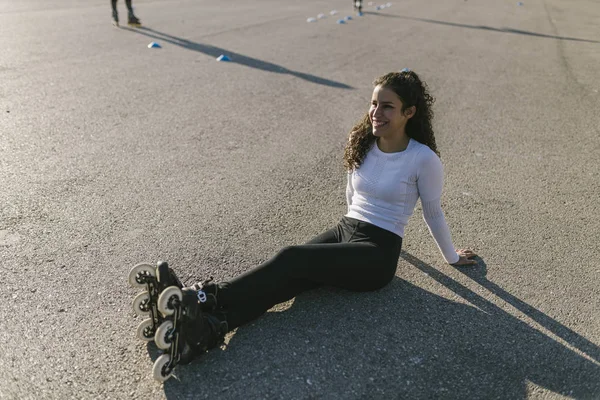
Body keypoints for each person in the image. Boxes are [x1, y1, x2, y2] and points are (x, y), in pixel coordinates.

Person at [156, 70, 478, 366]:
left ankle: (206, 296)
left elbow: (433, 212)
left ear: (409, 112)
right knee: (289, 277)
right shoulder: (363, 141)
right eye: (373, 103)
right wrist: (346, 230)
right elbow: (353, 195)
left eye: (388, 107)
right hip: (346, 229)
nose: (376, 113)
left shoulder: (423, 159)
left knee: (291, 258)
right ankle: (210, 327)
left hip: (377, 253)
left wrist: (451, 257)